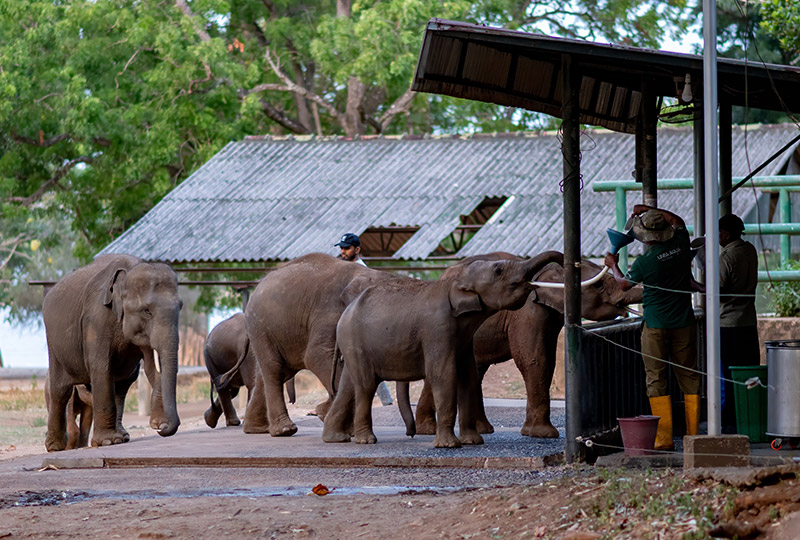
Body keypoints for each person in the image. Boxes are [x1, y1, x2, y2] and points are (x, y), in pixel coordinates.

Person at [605, 205, 702, 450]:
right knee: (689, 376)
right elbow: (678, 218)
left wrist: (612, 264)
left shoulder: (645, 262)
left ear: (646, 236)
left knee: (656, 379)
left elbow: (624, 285)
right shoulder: (681, 243)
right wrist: (650, 209)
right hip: (684, 323)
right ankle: (693, 436)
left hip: (656, 326)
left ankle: (664, 438)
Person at [334, 232, 394, 406]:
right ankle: (385, 401)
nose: (343, 252)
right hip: (349, 324)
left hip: (361, 325)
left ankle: (385, 402)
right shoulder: (346, 270)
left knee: (364, 363)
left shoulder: (362, 272)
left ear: (357, 249)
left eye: (346, 248)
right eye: (341, 248)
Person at [718, 213, 759, 434]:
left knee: (728, 376)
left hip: (728, 324)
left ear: (725, 233)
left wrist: (695, 283)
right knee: (748, 374)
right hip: (748, 321)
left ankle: (730, 423)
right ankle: (750, 419)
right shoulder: (749, 250)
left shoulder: (726, 258)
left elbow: (719, 293)